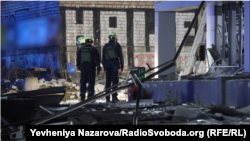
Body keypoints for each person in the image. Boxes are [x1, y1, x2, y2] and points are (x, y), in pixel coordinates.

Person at [76, 36, 101, 101]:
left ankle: (82, 98)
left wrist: (78, 66)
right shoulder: (94, 49)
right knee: (91, 83)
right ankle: (90, 98)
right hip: (91, 68)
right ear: (92, 42)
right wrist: (98, 69)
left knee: (83, 83)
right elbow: (97, 59)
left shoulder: (81, 49)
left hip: (83, 68)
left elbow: (78, 58)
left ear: (86, 41)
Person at [102, 32, 124, 103]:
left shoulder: (105, 47)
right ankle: (114, 98)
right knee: (115, 82)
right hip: (114, 66)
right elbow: (121, 57)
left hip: (107, 67)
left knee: (108, 82)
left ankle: (107, 98)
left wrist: (104, 68)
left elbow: (103, 59)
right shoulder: (117, 45)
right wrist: (122, 66)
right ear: (115, 38)